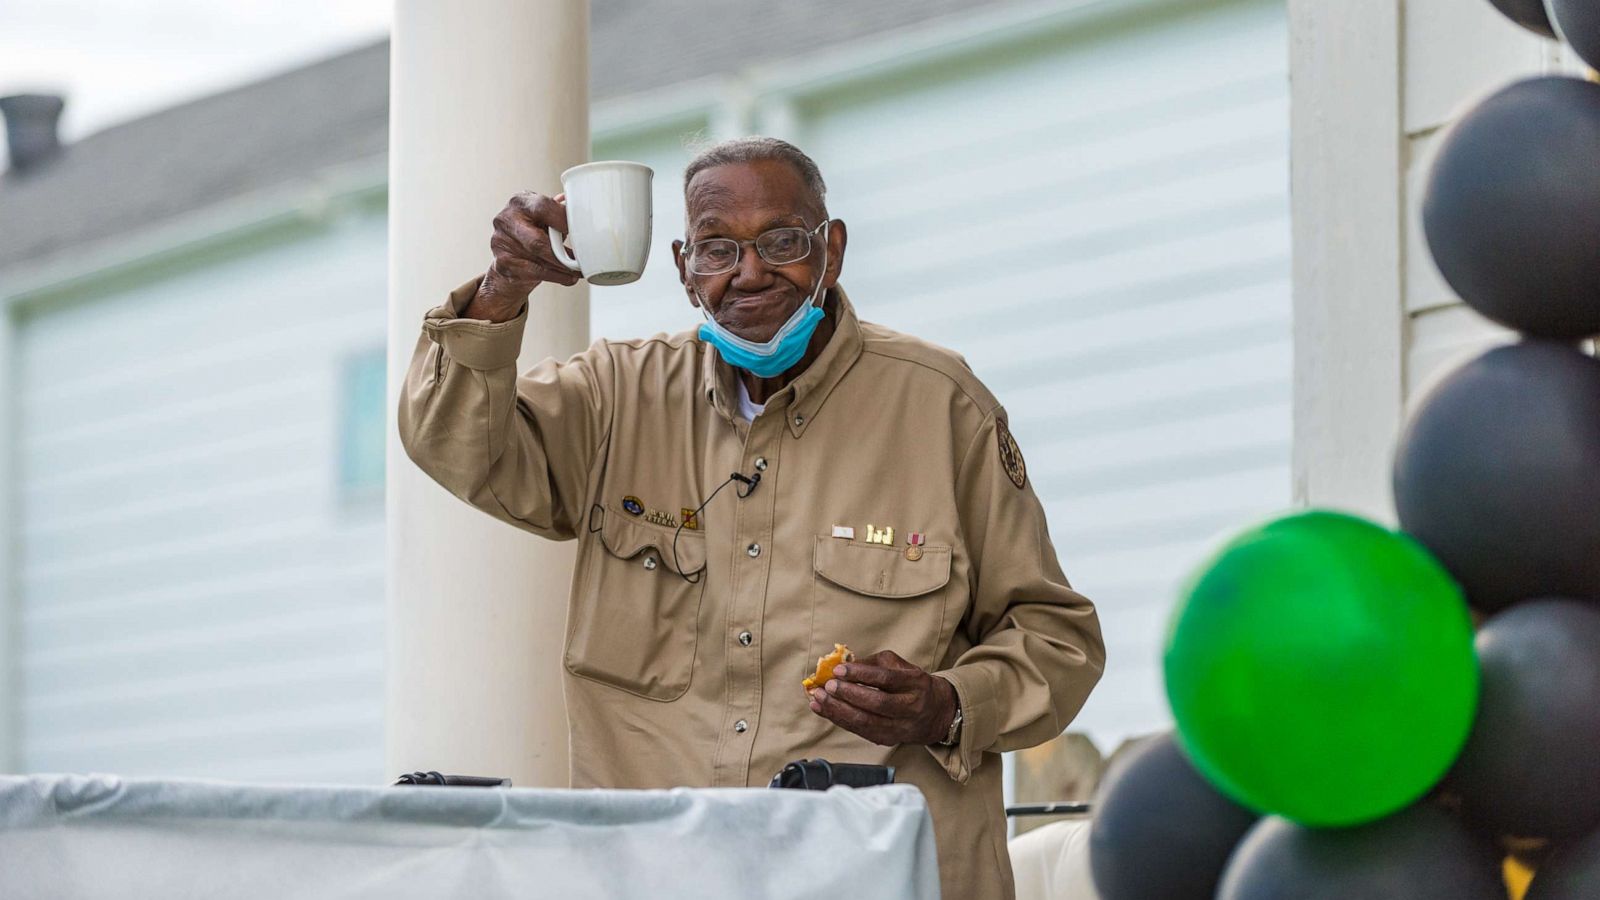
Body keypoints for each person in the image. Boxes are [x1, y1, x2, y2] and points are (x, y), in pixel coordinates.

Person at [399, 136, 1105, 900]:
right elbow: (452, 445)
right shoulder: (613, 398)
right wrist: (503, 289)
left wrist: (947, 706)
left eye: (782, 241)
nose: (750, 271)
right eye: (716, 248)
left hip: (874, 881)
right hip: (658, 877)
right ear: (681, 266)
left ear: (831, 251)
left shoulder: (942, 407)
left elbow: (1058, 639)